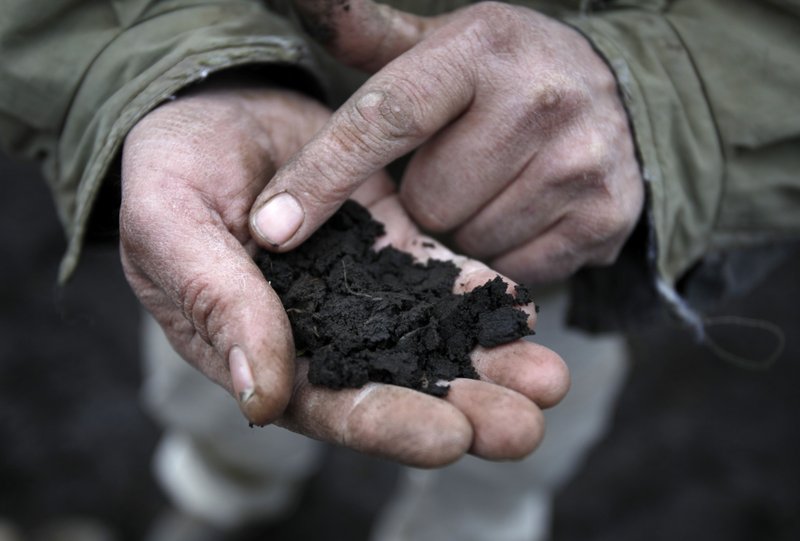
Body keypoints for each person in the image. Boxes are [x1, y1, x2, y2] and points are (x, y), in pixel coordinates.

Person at [1, 0, 798, 539]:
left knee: (516, 437)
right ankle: (220, 499)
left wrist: (662, 97)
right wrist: (177, 67)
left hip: (583, 228)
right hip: (252, 178)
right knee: (227, 373)